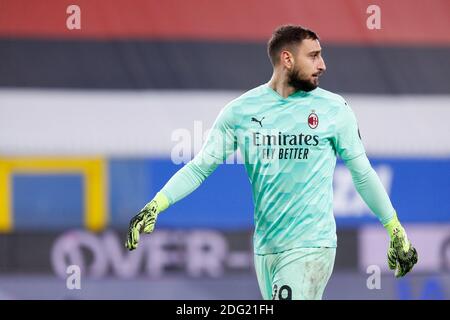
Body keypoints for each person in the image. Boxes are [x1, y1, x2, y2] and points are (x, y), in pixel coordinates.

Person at [125, 25, 418, 300]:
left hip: (311, 244)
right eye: (313, 56)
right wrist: (156, 205)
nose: (322, 65)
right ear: (287, 59)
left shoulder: (335, 110)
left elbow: (362, 173)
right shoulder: (240, 112)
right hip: (266, 248)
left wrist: (394, 228)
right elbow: (201, 167)